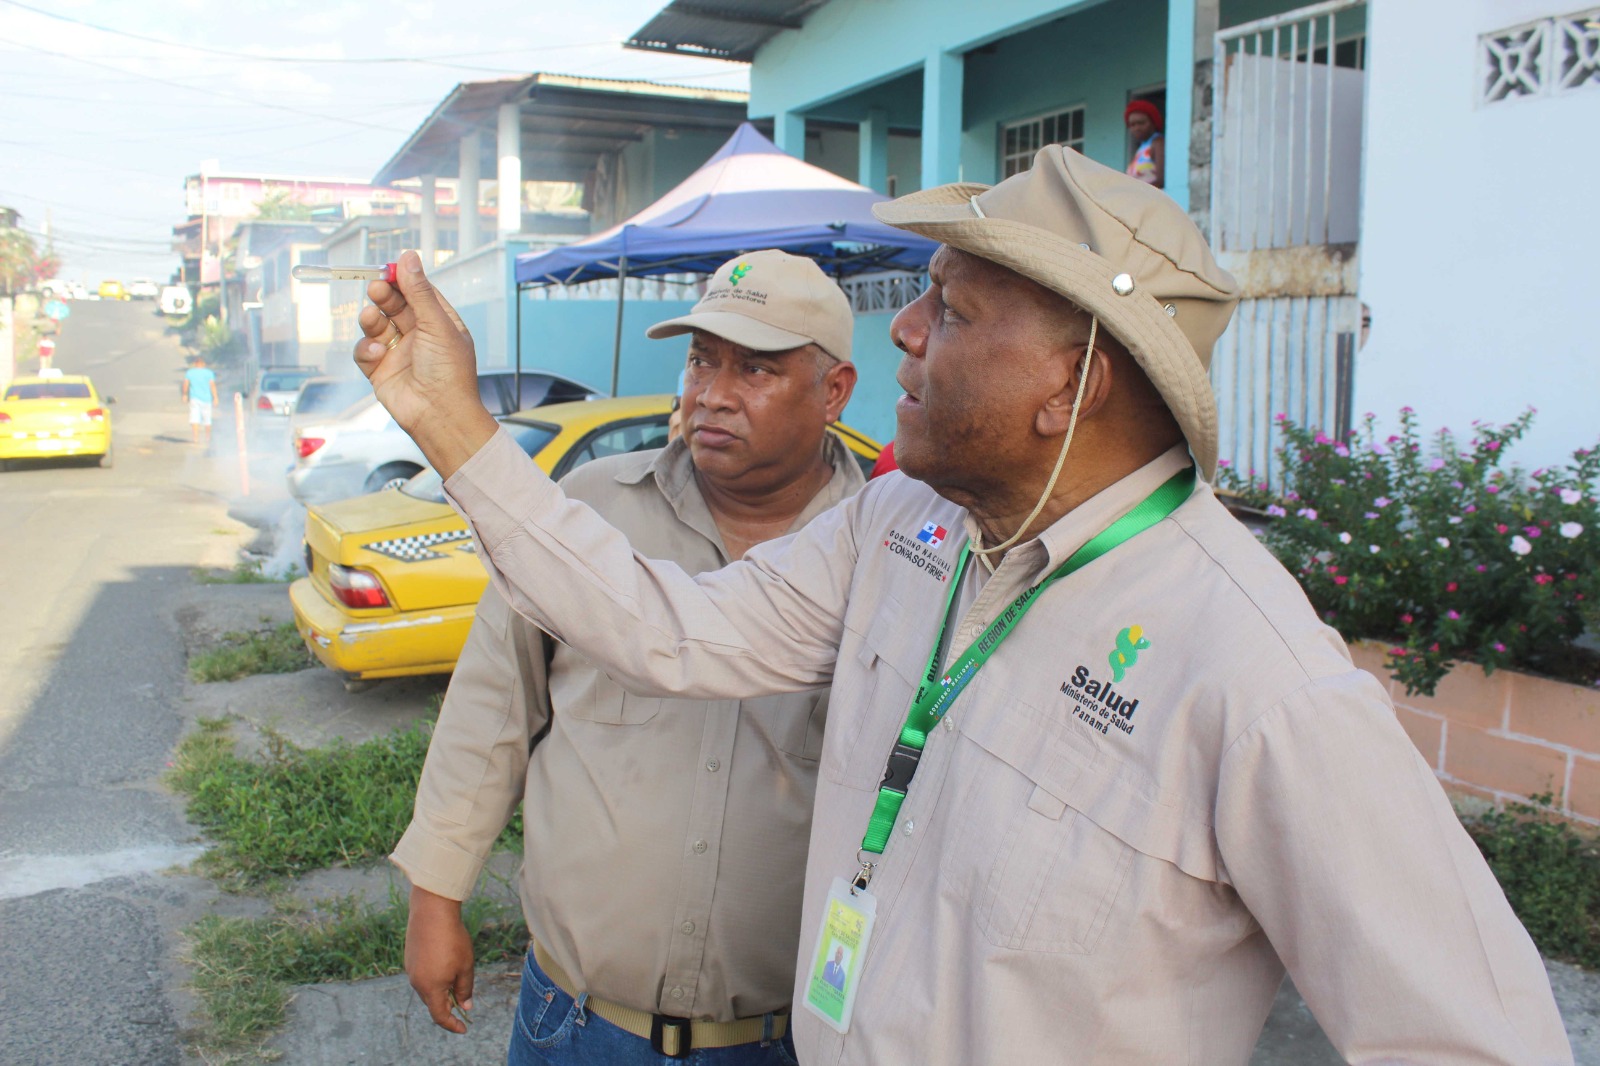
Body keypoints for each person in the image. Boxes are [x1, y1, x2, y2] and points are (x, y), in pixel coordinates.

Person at [354, 147, 1572, 1065]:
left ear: (1071, 384)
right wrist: (452, 425)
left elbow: (1471, 1036)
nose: (904, 329)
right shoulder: (904, 524)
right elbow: (670, 629)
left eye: (951, 307)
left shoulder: (1257, 680)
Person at [390, 249, 862, 1063]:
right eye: (701, 360)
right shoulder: (587, 514)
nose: (713, 393)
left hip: (784, 1037)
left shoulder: (889, 557)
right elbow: (493, 705)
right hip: (577, 1020)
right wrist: (435, 898)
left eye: (755, 368)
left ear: (835, 392)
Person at [1125, 99, 1164, 188]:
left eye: (1141, 123)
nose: (1136, 128)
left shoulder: (1158, 143)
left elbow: (1161, 180)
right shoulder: (1141, 148)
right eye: (1132, 125)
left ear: (1153, 122)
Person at [182, 355, 219, 444]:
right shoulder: (209, 373)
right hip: (207, 399)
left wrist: (185, 395)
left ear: (195, 364)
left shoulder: (190, 373)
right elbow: (212, 385)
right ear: (204, 364)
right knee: (207, 419)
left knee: (194, 418)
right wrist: (215, 397)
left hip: (194, 398)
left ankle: (196, 438)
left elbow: (186, 384)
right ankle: (207, 437)